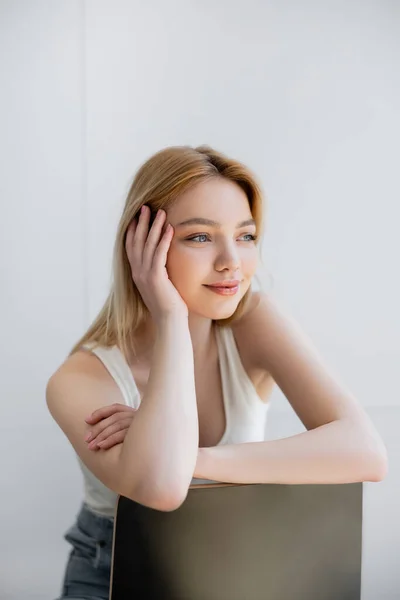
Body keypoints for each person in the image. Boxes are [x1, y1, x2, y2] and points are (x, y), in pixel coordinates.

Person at [46, 144, 387, 599]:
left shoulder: (253, 320)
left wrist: (193, 456)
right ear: (142, 246)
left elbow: (366, 453)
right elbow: (162, 489)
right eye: (200, 237)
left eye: (245, 236)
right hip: (110, 575)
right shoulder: (79, 378)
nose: (232, 261)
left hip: (231, 564)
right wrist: (168, 316)